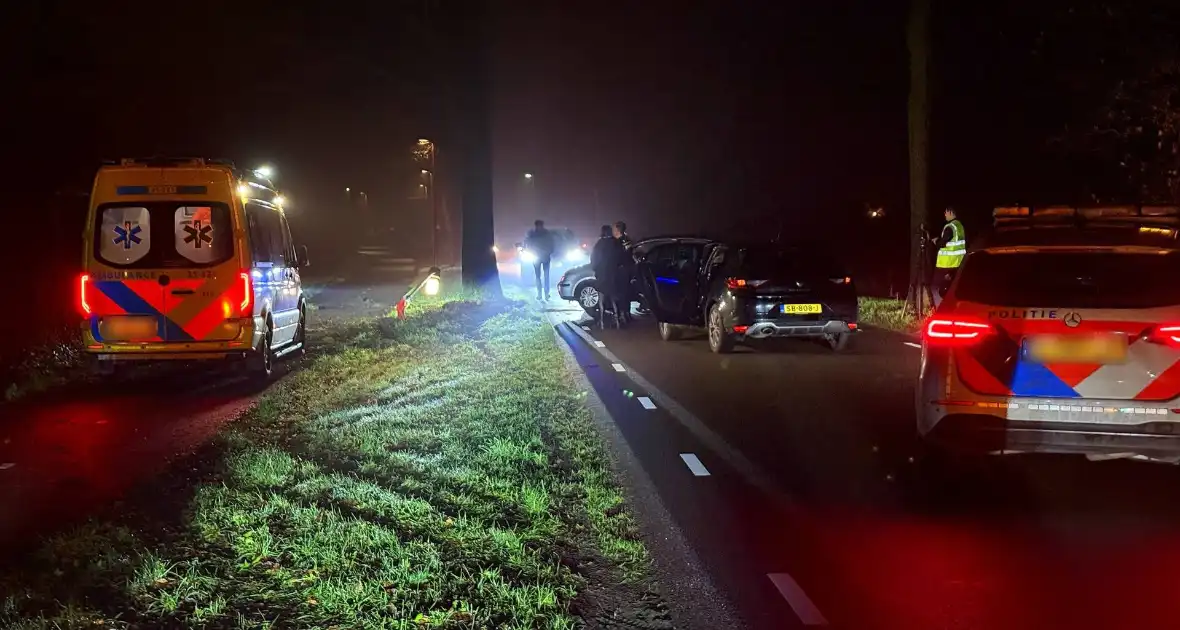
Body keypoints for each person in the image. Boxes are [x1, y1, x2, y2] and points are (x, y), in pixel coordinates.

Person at [592, 224, 629, 328]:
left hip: (602, 276)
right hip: (613, 275)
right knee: (614, 299)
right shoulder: (616, 243)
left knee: (601, 300)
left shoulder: (599, 244)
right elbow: (622, 258)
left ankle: (602, 322)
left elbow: (594, 260)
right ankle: (617, 321)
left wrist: (596, 271)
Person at [930, 206, 966, 307]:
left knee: (940, 288)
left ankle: (943, 308)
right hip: (958, 262)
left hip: (948, 263)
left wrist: (935, 241)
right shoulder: (959, 226)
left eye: (946, 213)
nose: (945, 215)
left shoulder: (950, 227)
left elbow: (943, 243)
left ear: (951, 212)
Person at [524, 219, 556, 300]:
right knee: (541, 276)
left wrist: (549, 252)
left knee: (543, 276)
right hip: (541, 257)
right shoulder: (542, 233)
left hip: (541, 257)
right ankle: (542, 294)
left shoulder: (533, 234)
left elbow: (551, 244)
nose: (539, 227)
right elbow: (528, 243)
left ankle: (544, 294)